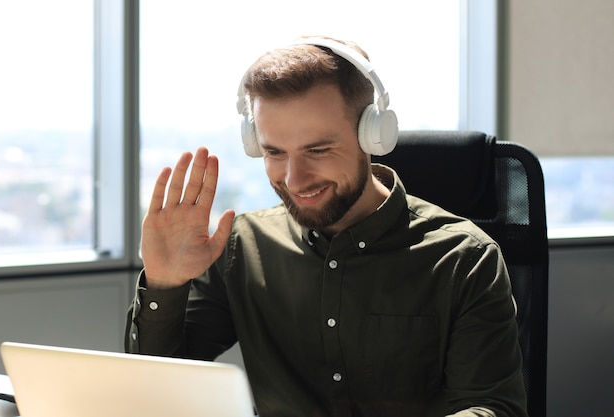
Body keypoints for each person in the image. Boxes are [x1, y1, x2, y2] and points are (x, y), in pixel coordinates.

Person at [125, 36, 528, 417]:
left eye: (318, 150)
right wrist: (165, 285)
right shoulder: (240, 249)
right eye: (274, 152)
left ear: (374, 135)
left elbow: (493, 406)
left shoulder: (464, 258)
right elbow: (155, 392)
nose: (295, 179)